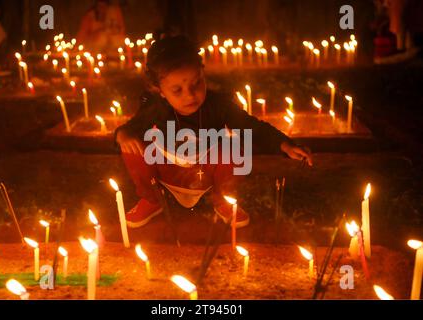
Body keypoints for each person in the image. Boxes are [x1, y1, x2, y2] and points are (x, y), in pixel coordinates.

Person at [114, 35, 312, 229]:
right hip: (168, 169)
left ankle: (223, 199)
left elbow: (250, 126)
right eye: (177, 90)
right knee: (132, 146)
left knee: (235, 146)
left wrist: (285, 144)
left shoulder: (218, 104)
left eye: (196, 83)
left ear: (203, 72)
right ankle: (151, 199)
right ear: (160, 90)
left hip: (205, 170)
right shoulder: (155, 109)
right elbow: (131, 128)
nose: (190, 95)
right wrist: (123, 135)